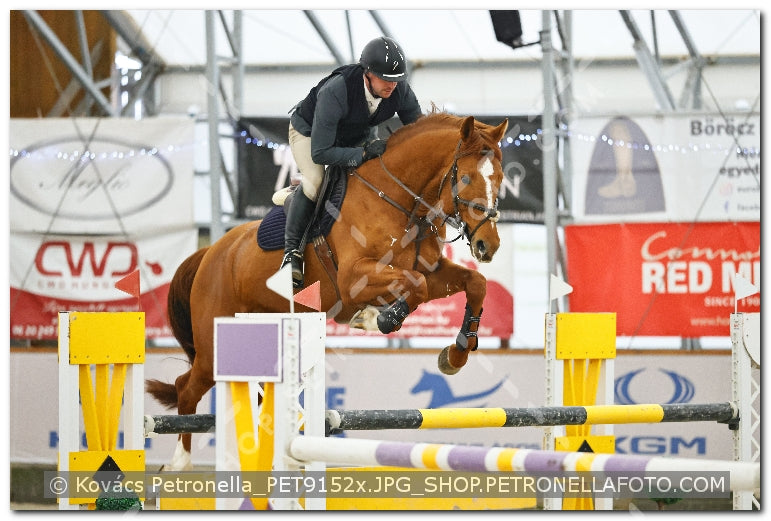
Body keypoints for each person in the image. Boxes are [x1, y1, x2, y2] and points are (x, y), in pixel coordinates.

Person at [280, 36, 423, 288]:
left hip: (356, 134)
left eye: (396, 79)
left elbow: (419, 130)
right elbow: (321, 153)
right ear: (368, 74)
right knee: (315, 181)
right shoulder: (336, 90)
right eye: (385, 79)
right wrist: (363, 154)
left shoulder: (399, 89)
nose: (392, 85)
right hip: (310, 134)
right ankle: (291, 254)